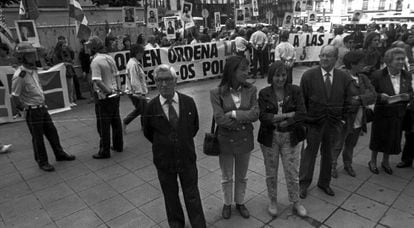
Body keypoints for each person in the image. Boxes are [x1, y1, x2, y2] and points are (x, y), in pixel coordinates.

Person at [143, 64, 206, 228]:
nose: (164, 84)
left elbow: (194, 127)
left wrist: (180, 140)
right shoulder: (150, 107)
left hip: (187, 157)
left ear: (175, 80)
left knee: (192, 193)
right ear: (155, 83)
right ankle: (176, 224)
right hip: (164, 161)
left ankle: (198, 224)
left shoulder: (188, 102)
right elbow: (148, 132)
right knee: (170, 196)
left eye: (168, 79)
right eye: (159, 80)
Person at [11, 43, 76, 172]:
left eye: (32, 54)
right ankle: (42, 161)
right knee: (38, 138)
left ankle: (59, 154)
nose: (33, 57)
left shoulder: (33, 70)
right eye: (29, 55)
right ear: (22, 57)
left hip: (42, 108)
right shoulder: (20, 75)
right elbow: (15, 96)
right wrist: (24, 109)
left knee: (52, 132)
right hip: (32, 110)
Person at [299, 45, 352, 199]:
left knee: (329, 155)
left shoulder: (343, 77)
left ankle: (324, 183)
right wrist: (304, 122)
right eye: (322, 55)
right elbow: (302, 100)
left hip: (334, 124)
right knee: (309, 155)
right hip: (313, 124)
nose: (324, 59)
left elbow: (348, 100)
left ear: (336, 59)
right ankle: (303, 184)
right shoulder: (309, 75)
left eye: (329, 56)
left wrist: (343, 119)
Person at [210, 55, 259, 219]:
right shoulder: (216, 92)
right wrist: (242, 121)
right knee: (226, 176)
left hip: (245, 139)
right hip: (226, 140)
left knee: (242, 175)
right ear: (232, 71)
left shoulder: (251, 90)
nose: (247, 72)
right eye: (243, 69)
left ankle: (240, 202)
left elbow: (255, 114)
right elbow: (219, 119)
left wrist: (233, 114)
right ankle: (227, 203)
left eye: (248, 68)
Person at [258, 61, 307, 217]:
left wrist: (286, 120)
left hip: (291, 137)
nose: (280, 79)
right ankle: (273, 201)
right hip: (270, 137)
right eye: (277, 75)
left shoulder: (295, 90)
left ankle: (296, 202)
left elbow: (301, 113)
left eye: (283, 75)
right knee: (271, 172)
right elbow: (263, 117)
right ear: (271, 76)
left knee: (292, 171)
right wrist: (287, 115)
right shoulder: (264, 93)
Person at [331, 51, 376, 178]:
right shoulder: (342, 77)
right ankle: (332, 165)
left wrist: (359, 98)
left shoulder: (363, 78)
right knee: (337, 144)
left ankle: (348, 164)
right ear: (353, 64)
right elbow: (342, 98)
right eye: (361, 62)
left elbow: (373, 95)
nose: (364, 65)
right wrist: (359, 99)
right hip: (344, 118)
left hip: (359, 117)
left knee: (351, 143)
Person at [368, 47, 413, 175]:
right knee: (377, 138)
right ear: (388, 61)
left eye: (402, 59)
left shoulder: (407, 75)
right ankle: (372, 161)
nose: (401, 62)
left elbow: (411, 92)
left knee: (392, 139)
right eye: (397, 59)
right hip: (382, 112)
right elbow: (370, 93)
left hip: (398, 113)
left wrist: (408, 96)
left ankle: (385, 162)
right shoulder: (378, 75)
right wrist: (379, 96)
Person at [86, 36, 123, 159]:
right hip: (115, 95)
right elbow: (117, 75)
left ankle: (104, 151)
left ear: (93, 48)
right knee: (116, 121)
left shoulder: (95, 61)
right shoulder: (109, 57)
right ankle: (118, 145)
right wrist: (117, 90)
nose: (87, 49)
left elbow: (97, 81)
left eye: (89, 47)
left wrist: (108, 92)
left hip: (104, 97)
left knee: (103, 125)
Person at [123, 44, 148, 134]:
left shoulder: (134, 63)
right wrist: (139, 93)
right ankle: (126, 121)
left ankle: (144, 126)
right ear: (137, 53)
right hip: (135, 91)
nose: (143, 55)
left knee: (142, 109)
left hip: (135, 91)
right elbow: (134, 80)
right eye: (141, 53)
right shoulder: (133, 64)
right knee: (142, 109)